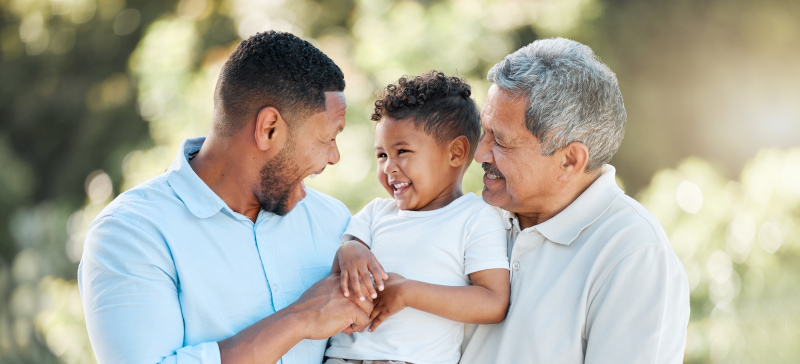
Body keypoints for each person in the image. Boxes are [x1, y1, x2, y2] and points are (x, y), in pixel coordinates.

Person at [78, 31, 373, 364]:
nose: (334, 157)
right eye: (327, 138)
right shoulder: (130, 234)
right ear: (269, 129)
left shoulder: (333, 221)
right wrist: (301, 318)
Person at [460, 38, 691, 363]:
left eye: (500, 140)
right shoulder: (473, 218)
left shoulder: (634, 256)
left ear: (570, 160)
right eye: (484, 132)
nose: (479, 153)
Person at [322, 72, 511, 364]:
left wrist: (408, 292)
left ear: (456, 152)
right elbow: (343, 262)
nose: (389, 168)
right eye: (382, 155)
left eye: (402, 152)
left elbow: (493, 302)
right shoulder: (376, 213)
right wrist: (351, 251)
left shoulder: (476, 217)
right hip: (343, 357)